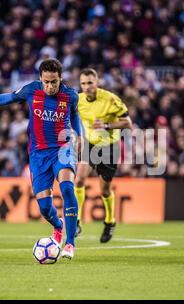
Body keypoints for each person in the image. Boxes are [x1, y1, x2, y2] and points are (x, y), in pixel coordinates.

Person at [0, 59, 82, 259]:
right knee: (44, 208)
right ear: (40, 79)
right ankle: (58, 226)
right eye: (46, 82)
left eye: (54, 82)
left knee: (67, 188)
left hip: (62, 147)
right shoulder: (31, 90)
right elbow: (7, 98)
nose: (50, 87)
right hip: (38, 154)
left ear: (61, 79)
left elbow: (75, 117)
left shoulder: (70, 96)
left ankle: (70, 243)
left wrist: (80, 135)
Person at [74, 68, 132, 243]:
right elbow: (73, 119)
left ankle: (110, 221)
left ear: (97, 82)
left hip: (108, 147)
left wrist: (106, 125)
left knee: (105, 190)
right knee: (79, 180)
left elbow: (128, 123)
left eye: (90, 83)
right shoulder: (78, 100)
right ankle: (76, 221)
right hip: (90, 144)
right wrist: (78, 138)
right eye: (83, 83)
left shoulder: (110, 99)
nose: (86, 87)